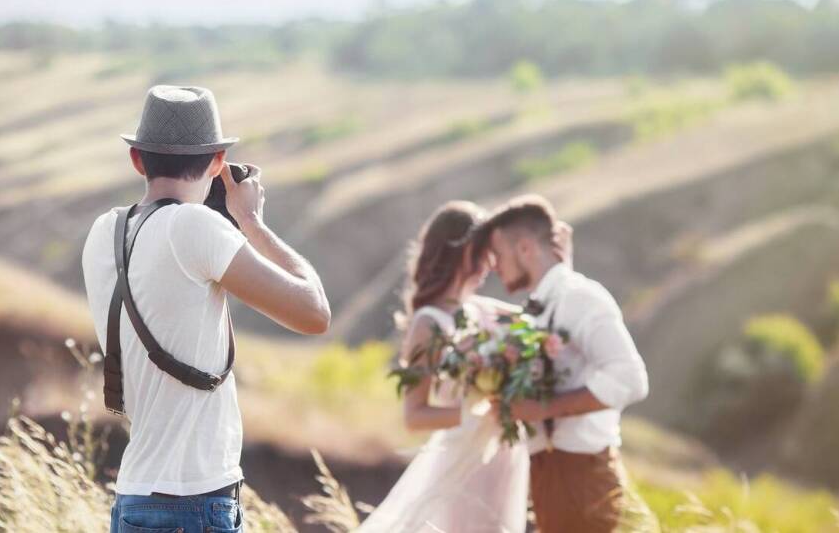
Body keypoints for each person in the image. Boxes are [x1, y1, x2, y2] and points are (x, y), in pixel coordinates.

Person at [81, 85, 330, 533]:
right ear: (218, 163)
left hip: (133, 495)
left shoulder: (104, 231)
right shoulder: (197, 228)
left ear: (137, 159)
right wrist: (251, 223)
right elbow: (314, 313)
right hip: (195, 501)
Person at [355, 200, 571, 533]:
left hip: (503, 457)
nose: (493, 263)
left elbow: (541, 317)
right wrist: (479, 414)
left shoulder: (481, 309)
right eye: (486, 251)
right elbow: (415, 416)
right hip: (461, 462)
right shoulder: (428, 324)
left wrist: (561, 261)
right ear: (462, 252)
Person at [472, 194, 649, 533]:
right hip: (551, 472)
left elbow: (631, 379)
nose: (494, 265)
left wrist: (541, 409)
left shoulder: (580, 297)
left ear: (525, 248)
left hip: (580, 475)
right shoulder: (544, 303)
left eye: (499, 254)